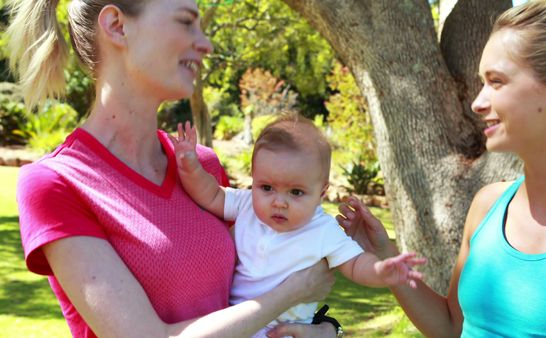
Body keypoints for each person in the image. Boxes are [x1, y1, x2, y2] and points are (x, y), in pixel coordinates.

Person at [8, 0, 339, 337]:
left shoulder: (202, 169)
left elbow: (248, 295)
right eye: (185, 23)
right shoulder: (56, 183)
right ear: (117, 26)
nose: (206, 44)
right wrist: (293, 292)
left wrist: (324, 329)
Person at [337, 0, 546, 337]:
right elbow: (452, 327)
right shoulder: (487, 205)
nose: (477, 103)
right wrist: (384, 251)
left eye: (496, 82)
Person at [171, 115, 426, 337]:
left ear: (321, 192)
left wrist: (381, 270)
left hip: (285, 331)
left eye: (296, 192)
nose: (279, 202)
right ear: (254, 178)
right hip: (235, 324)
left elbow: (356, 265)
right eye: (267, 187)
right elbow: (211, 194)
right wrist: (189, 165)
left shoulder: (322, 230)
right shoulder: (246, 203)